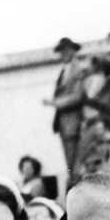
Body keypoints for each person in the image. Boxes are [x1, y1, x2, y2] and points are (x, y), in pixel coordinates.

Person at [46, 37, 88, 183]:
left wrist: (56, 103)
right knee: (71, 166)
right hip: (66, 124)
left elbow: (78, 96)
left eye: (63, 51)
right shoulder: (67, 70)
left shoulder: (77, 69)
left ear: (71, 51)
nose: (61, 55)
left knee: (74, 165)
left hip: (73, 123)